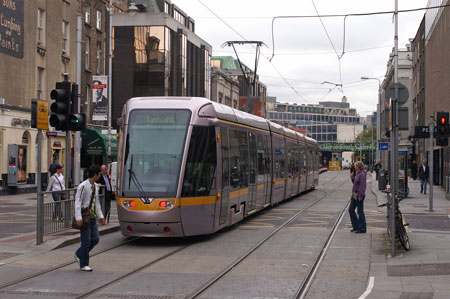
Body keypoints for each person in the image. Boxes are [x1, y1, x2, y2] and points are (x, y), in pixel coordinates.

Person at [74, 165, 105, 272]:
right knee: (86, 241)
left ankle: (79, 254)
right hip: (84, 217)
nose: (100, 175)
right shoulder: (83, 186)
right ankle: (84, 264)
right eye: (99, 174)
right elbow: (77, 202)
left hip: (92, 217)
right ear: (95, 175)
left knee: (95, 239)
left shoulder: (96, 186)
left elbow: (96, 203)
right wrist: (78, 217)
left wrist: (100, 216)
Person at [349, 161, 367, 233]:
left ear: (359, 167)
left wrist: (360, 195)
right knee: (351, 210)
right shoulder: (357, 173)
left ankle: (362, 228)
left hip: (359, 195)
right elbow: (355, 184)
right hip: (354, 195)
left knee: (360, 212)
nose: (354, 167)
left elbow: (362, 186)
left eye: (355, 166)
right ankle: (356, 226)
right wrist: (352, 178)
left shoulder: (362, 174)